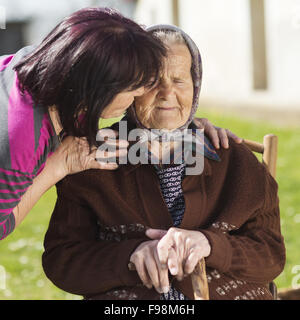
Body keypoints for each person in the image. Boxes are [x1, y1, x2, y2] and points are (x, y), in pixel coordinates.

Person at [42, 24, 285, 300]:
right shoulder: (91, 160)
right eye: (152, 80)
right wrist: (130, 256)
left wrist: (210, 244)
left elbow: (271, 255)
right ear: (130, 87)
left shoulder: (234, 159)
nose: (167, 92)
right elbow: (62, 260)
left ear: (195, 85)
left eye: (179, 80)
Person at [0, 7, 240, 241]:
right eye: (136, 87)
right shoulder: (20, 138)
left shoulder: (47, 67)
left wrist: (180, 124)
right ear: (98, 91)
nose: (141, 94)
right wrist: (58, 165)